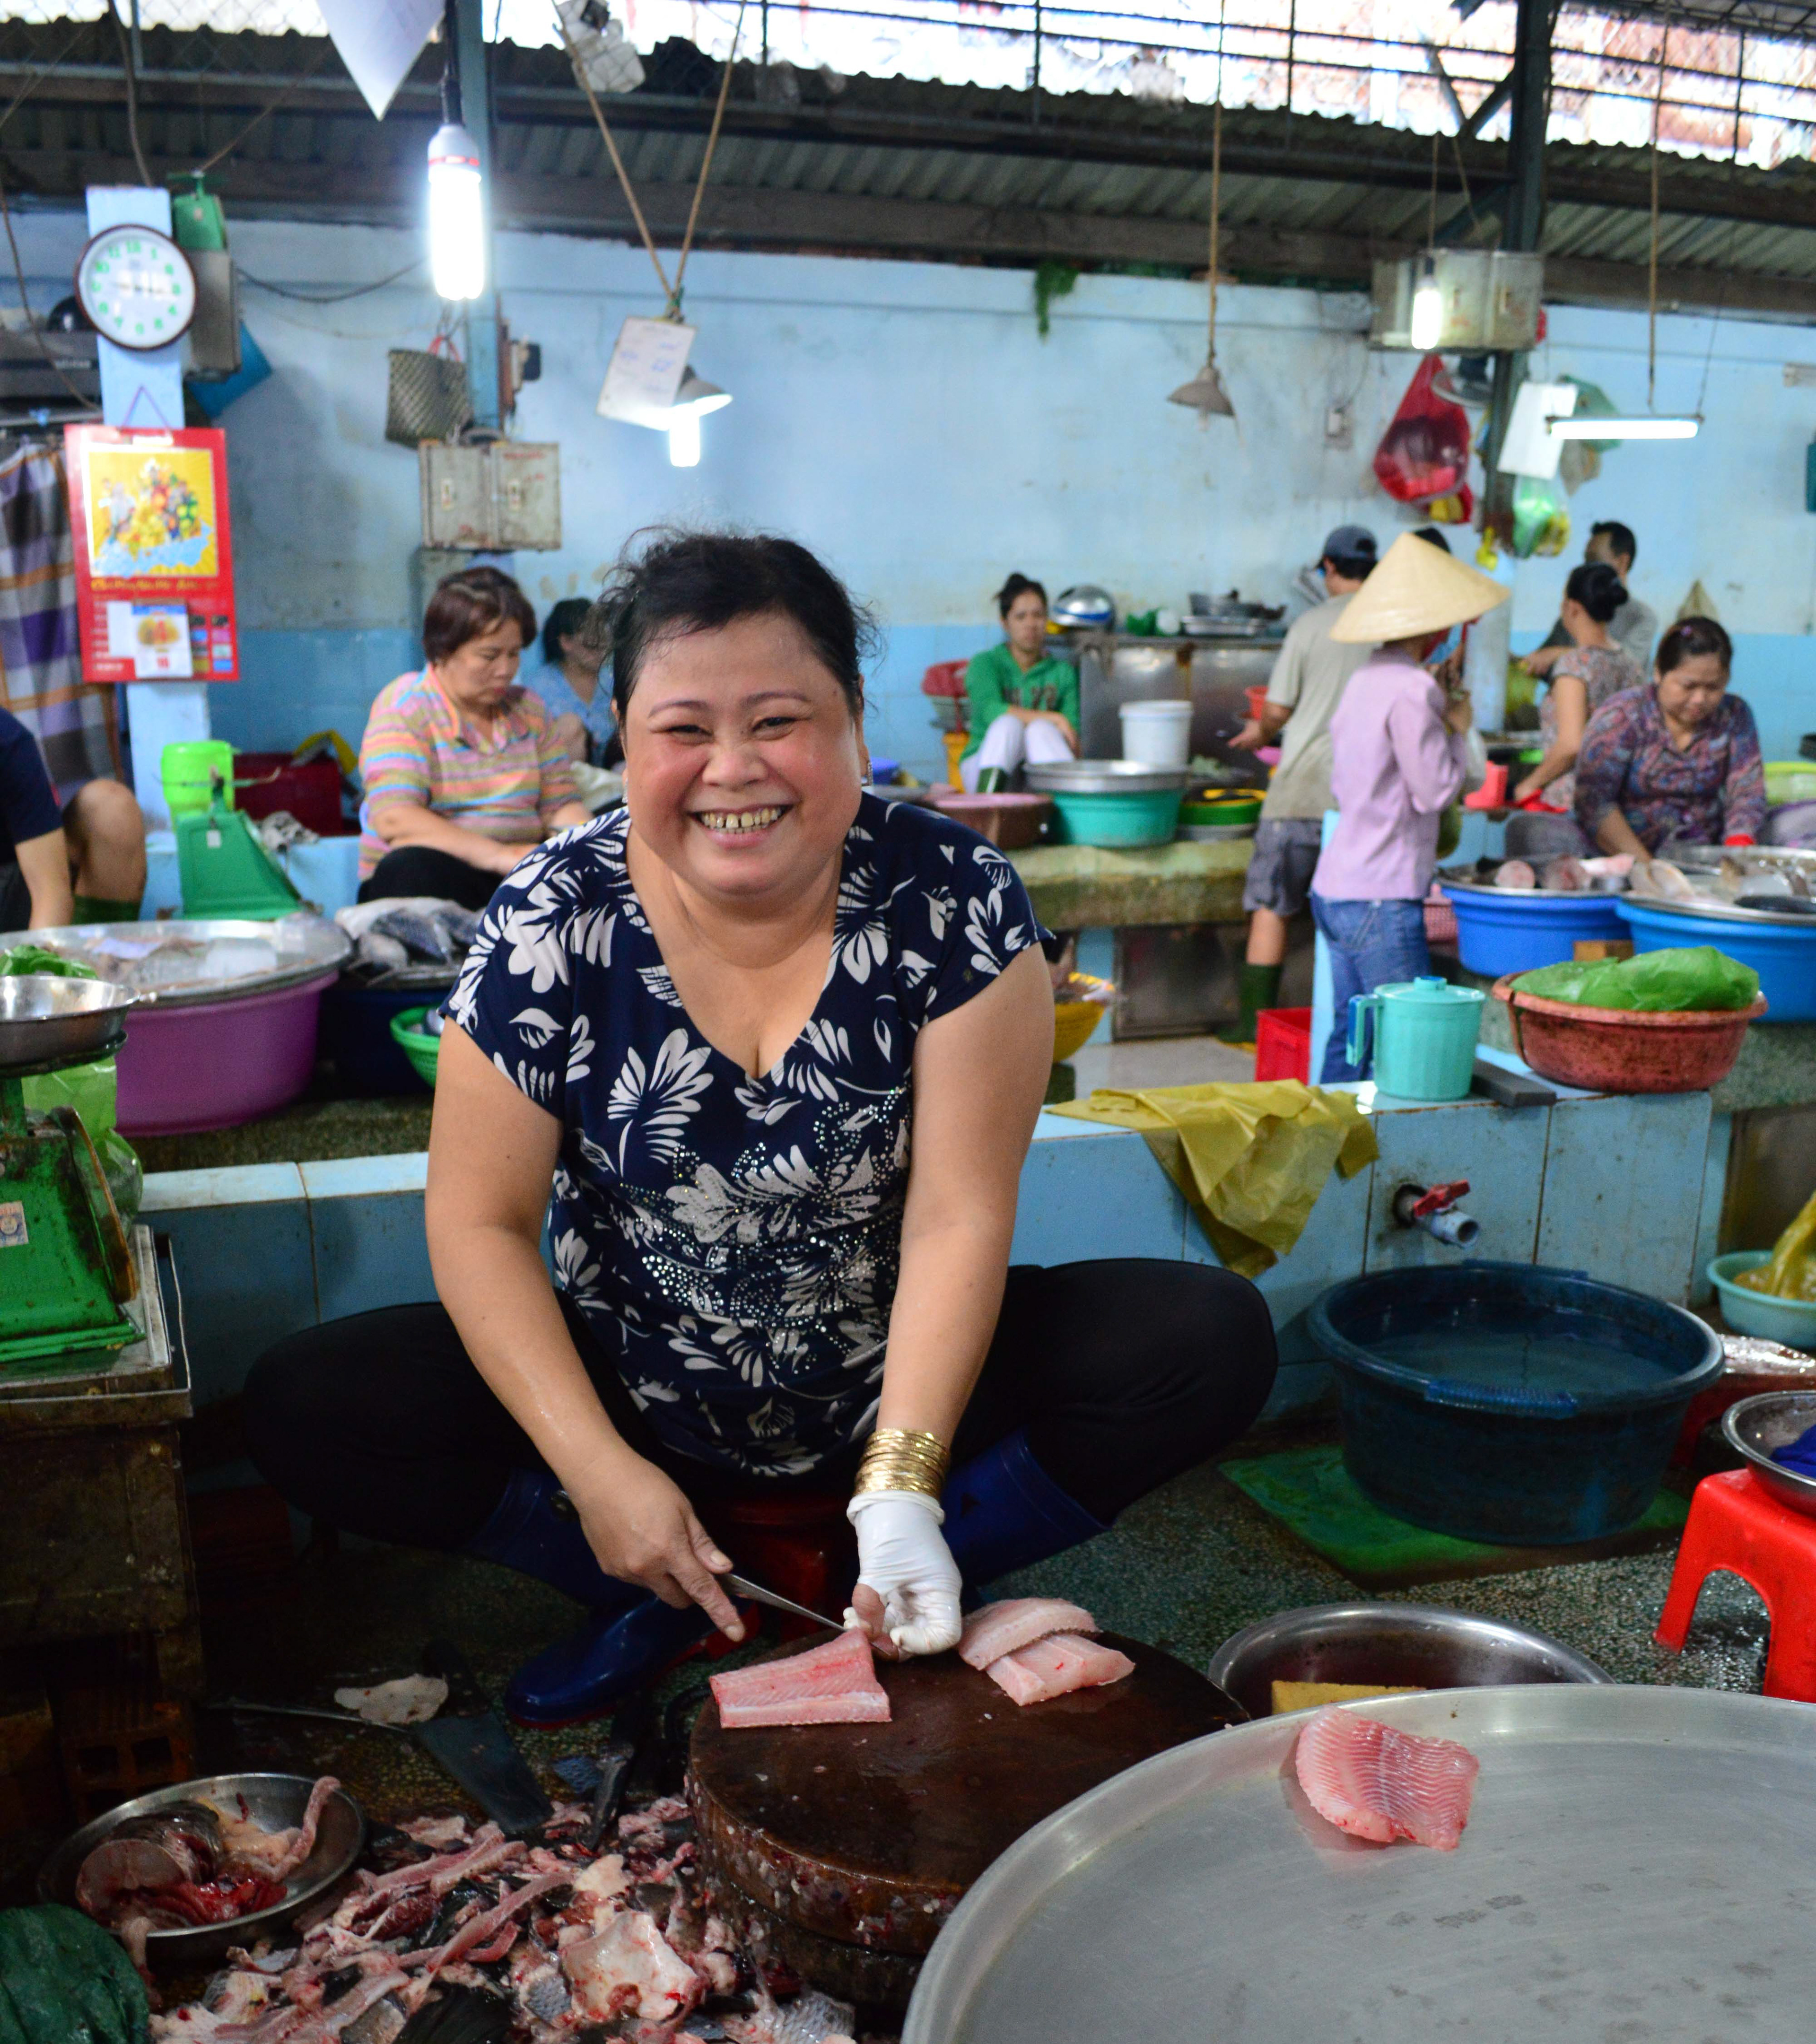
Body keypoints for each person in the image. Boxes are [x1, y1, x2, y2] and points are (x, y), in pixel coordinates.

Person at [244, 531, 1276, 1729]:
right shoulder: (548, 915)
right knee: (306, 1402)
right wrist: (595, 1472)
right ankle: (658, 1585)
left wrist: (900, 1487)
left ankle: (888, 1564)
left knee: (1206, 1338)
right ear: (620, 737)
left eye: (779, 720)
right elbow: (477, 1222)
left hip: (894, 1383)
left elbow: (957, 1215)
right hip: (635, 1387)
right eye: (683, 730)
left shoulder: (953, 899)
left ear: (848, 723)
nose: (733, 769)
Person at [1311, 531, 1509, 1083]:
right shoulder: (1413, 691)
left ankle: (1325, 1155)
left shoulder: (1366, 680)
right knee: (1402, 1044)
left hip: (1336, 885)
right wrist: (1462, 732)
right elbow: (1436, 791)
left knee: (1352, 1038)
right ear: (1433, 626)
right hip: (1380, 892)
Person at [357, 564, 590, 913]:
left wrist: (592, 849)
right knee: (407, 868)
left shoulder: (528, 709)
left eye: (514, 654)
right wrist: (501, 856)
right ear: (444, 649)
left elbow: (560, 805)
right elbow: (396, 818)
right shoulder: (406, 707)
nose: (505, 669)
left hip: (516, 877)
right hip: (447, 877)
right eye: (489, 656)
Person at [1230, 523, 1378, 1041]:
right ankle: (1335, 1027)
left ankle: (1255, 1029)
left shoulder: (1311, 625)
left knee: (1272, 906)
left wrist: (1260, 732)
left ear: (1329, 568)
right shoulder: (1390, 628)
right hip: (1361, 798)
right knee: (1344, 916)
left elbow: (1276, 709)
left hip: (1299, 790)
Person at [1572, 614, 1765, 865]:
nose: (1699, 699)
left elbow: (1747, 791)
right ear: (1659, 672)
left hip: (1704, 853)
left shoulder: (1734, 715)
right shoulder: (1623, 715)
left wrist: (1737, 855)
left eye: (1713, 687)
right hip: (1620, 853)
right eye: (1688, 686)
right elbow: (1594, 802)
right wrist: (1648, 868)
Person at [1510, 560, 1645, 836]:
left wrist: (1530, 784)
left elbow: (1571, 745)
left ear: (1572, 607)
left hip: (1574, 802)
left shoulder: (1574, 666)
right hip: (1620, 802)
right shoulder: (1631, 664)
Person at [0, 706, 145, 931]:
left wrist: (35, 963)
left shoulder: (8, 740)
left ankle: (98, 958)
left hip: (14, 895)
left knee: (112, 809)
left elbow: (50, 894)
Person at [960, 575, 1080, 791]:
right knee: (1008, 725)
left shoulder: (1062, 672)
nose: (1031, 625)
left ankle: (1066, 814)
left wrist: (1051, 724)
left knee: (1040, 730)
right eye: (1021, 617)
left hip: (1037, 777)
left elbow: (1072, 734)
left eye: (1038, 615)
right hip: (982, 765)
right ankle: (988, 813)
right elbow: (990, 710)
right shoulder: (985, 664)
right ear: (1005, 623)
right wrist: (1054, 718)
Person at [1525, 521, 1658, 682]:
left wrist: (1559, 654)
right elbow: (1540, 661)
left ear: (1623, 562)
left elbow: (1621, 665)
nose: (1587, 567)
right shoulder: (1570, 619)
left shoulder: (1642, 618)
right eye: (1586, 560)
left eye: (1594, 560)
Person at [535, 597, 617, 765]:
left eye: (604, 647)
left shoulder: (612, 680)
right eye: (592, 647)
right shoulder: (540, 688)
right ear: (566, 642)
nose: (601, 654)